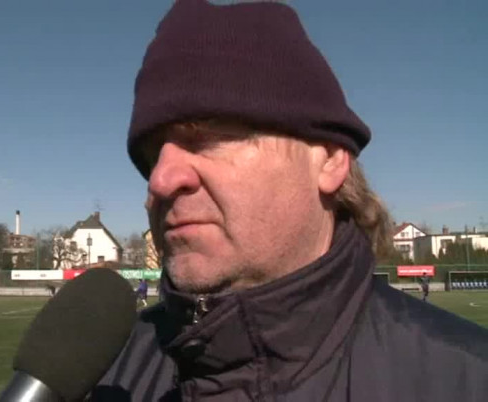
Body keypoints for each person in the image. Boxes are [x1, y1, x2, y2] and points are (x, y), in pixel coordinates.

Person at [91, 1, 488, 401]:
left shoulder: (465, 379)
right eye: (152, 156)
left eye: (209, 136)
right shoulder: (100, 377)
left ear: (328, 159)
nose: (159, 180)